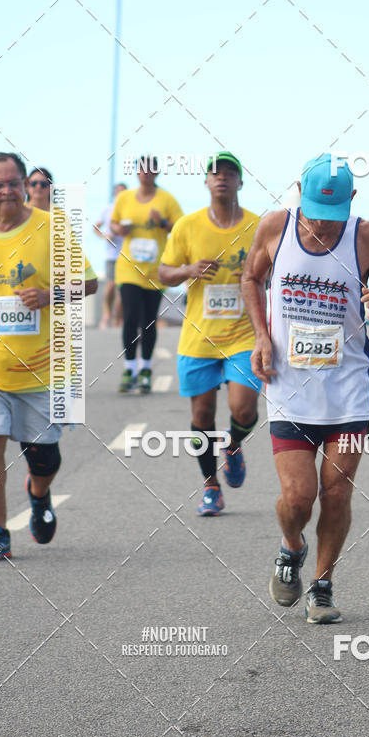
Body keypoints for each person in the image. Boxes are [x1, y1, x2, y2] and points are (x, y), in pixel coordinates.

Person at [242, 153, 369, 623]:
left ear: (353, 200)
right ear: (298, 192)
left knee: (336, 493)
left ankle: (322, 583)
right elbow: (251, 278)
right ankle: (291, 546)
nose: (322, 225)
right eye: (315, 212)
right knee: (299, 497)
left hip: (349, 387)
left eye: (333, 217)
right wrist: (260, 335)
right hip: (289, 385)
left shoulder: (368, 237)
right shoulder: (275, 226)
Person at [0, 152, 98, 561]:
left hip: (43, 370)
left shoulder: (53, 228)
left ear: (25, 187)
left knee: (43, 457)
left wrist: (50, 295)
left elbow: (91, 284)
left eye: (14, 182)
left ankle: (39, 493)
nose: (7, 190)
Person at [159, 152, 261, 516]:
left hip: (244, 334)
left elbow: (275, 273)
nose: (222, 177)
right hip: (199, 336)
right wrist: (188, 269)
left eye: (230, 172)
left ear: (240, 182)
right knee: (202, 416)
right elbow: (163, 273)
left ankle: (232, 445)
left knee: (244, 408)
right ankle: (210, 486)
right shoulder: (186, 226)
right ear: (205, 181)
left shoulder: (257, 225)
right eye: (215, 172)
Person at [110, 157, 182, 393]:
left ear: (157, 173)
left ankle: (146, 369)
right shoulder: (124, 198)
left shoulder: (167, 199)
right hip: (129, 268)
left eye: (151, 169)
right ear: (136, 172)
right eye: (142, 169)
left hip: (155, 270)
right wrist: (119, 229)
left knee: (148, 320)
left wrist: (162, 222)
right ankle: (130, 367)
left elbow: (180, 228)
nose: (146, 173)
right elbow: (112, 224)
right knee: (130, 317)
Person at [94, 182, 127, 328]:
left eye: (123, 192)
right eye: (118, 192)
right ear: (115, 194)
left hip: (127, 255)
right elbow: (95, 227)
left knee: (122, 289)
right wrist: (104, 236)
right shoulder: (108, 210)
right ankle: (107, 315)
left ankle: (118, 319)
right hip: (111, 255)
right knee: (110, 286)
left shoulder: (130, 210)